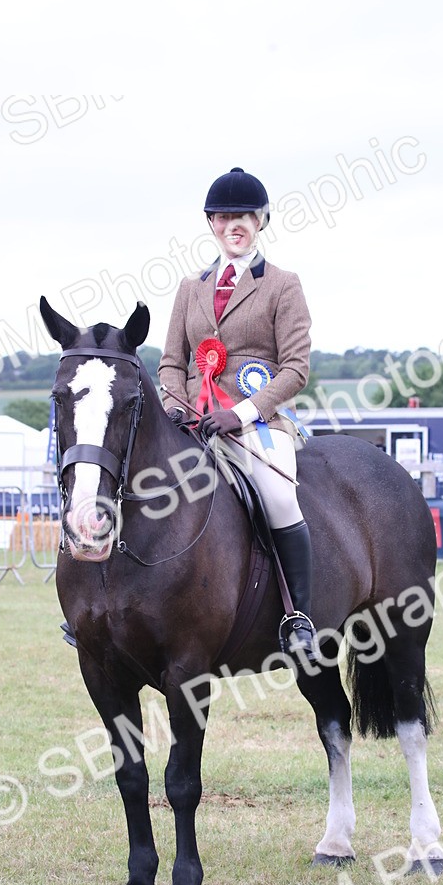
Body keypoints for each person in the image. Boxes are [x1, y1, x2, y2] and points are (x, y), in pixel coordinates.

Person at [159, 167, 316, 659]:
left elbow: (295, 369)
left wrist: (243, 412)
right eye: (224, 217)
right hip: (193, 422)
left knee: (279, 495)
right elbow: (169, 363)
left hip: (257, 424)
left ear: (260, 221)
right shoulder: (191, 288)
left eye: (244, 216)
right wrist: (176, 407)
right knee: (139, 486)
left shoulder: (282, 285)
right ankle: (106, 603)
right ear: (212, 224)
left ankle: (298, 618)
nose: (234, 225)